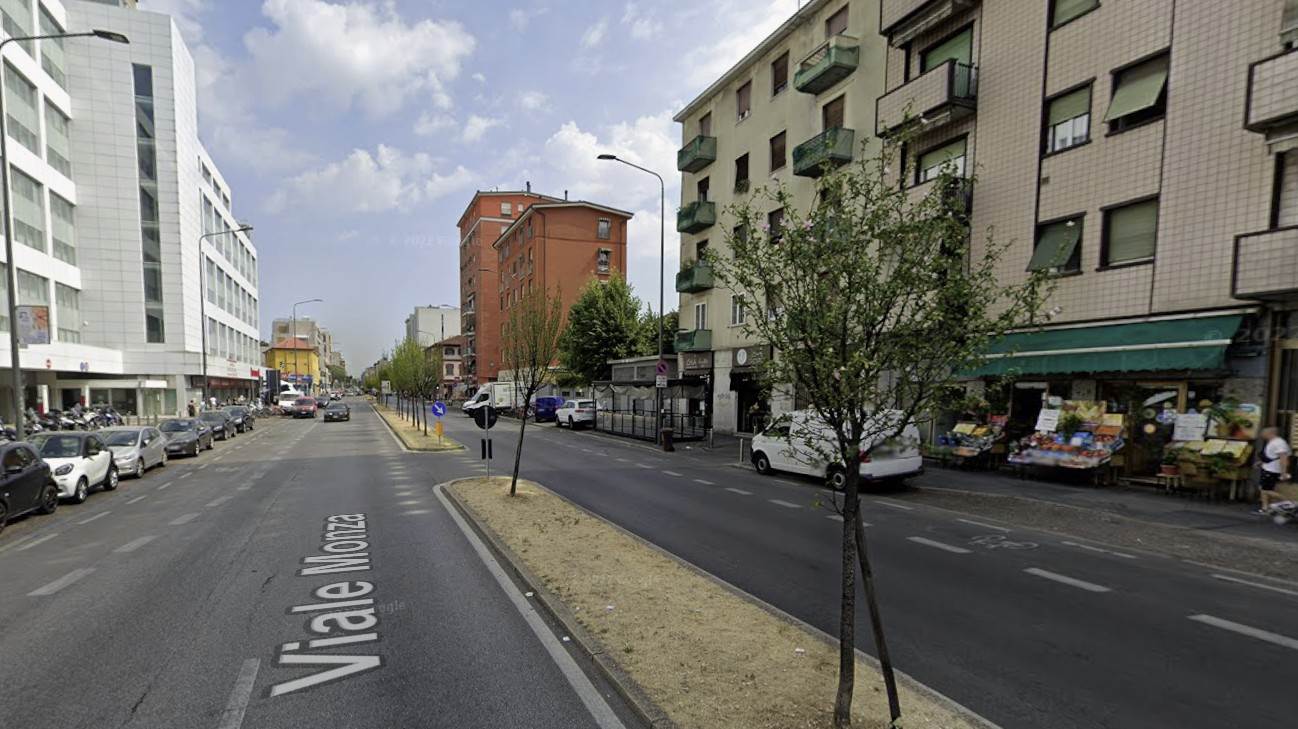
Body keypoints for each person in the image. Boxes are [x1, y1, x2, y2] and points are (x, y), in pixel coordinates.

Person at [1255, 426, 1291, 514]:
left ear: (1270, 433)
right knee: (1263, 488)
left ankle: (1288, 501)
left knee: (1266, 490)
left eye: (1264, 432)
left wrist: (1283, 472)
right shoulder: (1272, 442)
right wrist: (1261, 463)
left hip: (1273, 470)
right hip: (1267, 468)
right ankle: (1265, 508)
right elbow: (1272, 456)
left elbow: (1283, 458)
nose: (1262, 434)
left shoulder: (1279, 443)